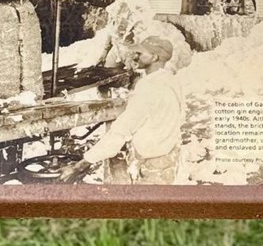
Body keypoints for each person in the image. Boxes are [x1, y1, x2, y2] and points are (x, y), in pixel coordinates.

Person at [60, 36, 185, 184]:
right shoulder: (171, 80)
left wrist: (82, 164)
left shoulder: (150, 88)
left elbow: (122, 130)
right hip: (168, 155)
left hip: (152, 162)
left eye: (140, 53)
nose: (135, 56)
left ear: (154, 57)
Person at [97, 0, 155, 69]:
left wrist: (133, 33)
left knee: (132, 71)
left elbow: (145, 26)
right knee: (108, 68)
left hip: (133, 47)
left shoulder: (139, 5)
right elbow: (110, 31)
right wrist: (104, 52)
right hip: (117, 47)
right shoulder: (114, 8)